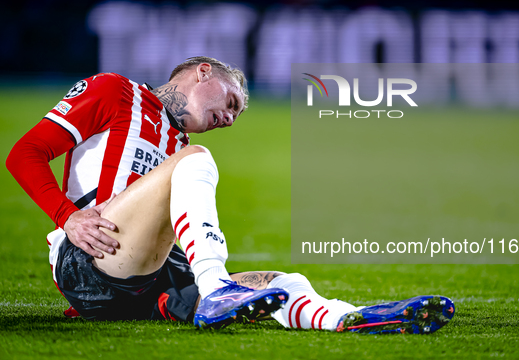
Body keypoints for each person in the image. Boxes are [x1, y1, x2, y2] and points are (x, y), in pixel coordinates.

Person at [6, 56, 455, 334]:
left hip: (146, 278)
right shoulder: (115, 92)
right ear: (204, 72)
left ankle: (350, 317)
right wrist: (68, 217)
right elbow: (24, 153)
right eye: (232, 103)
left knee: (281, 283)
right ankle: (216, 286)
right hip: (90, 262)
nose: (231, 119)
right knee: (196, 159)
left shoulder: (174, 147)